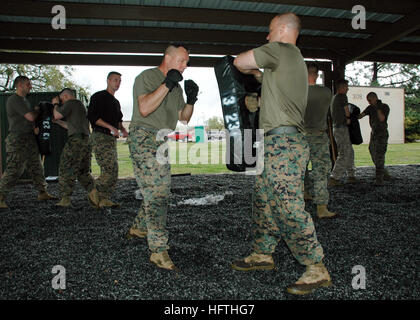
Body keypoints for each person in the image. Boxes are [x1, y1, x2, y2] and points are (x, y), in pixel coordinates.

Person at [230, 13, 332, 295]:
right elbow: (264, 77)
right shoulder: (291, 61)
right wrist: (258, 76)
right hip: (276, 143)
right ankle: (263, 254)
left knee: (288, 206)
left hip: (283, 145)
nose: (266, 36)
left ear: (284, 30)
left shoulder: (282, 50)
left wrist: (246, 67)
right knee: (264, 201)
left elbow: (240, 61)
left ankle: (316, 267)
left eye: (269, 30)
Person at [126, 44, 199, 271]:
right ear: (168, 58)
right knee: (158, 191)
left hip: (162, 140)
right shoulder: (148, 76)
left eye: (187, 62)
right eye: (181, 61)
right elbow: (145, 108)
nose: (185, 66)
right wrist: (167, 84)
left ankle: (139, 228)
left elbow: (184, 119)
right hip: (143, 136)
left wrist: (191, 100)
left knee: (158, 189)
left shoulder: (176, 88)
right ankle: (158, 251)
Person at [0, 76, 56, 209]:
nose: (30, 86)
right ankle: (1, 196)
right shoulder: (14, 99)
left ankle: (42, 192)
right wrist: (38, 110)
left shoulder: (24, 100)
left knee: (36, 165)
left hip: (28, 137)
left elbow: (27, 120)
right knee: (14, 169)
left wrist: (34, 129)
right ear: (19, 85)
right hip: (17, 139)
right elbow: (30, 116)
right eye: (28, 84)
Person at [52, 88, 100, 208]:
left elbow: (57, 114)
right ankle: (93, 191)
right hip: (85, 140)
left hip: (76, 141)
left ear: (66, 96)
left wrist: (55, 104)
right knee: (82, 171)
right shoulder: (80, 106)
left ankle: (65, 199)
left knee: (65, 167)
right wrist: (57, 123)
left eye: (62, 99)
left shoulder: (71, 103)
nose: (62, 102)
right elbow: (70, 125)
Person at [87, 71, 128, 208]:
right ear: (108, 80)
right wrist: (111, 127)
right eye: (115, 80)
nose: (118, 83)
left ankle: (104, 199)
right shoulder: (98, 97)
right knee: (109, 169)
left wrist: (122, 129)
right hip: (100, 136)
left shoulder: (116, 102)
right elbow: (93, 117)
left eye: (120, 81)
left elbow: (119, 121)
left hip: (111, 139)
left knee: (113, 170)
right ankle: (95, 191)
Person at [303, 62, 336, 219]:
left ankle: (303, 194)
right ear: (316, 75)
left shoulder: (296, 93)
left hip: (299, 136)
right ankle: (321, 207)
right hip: (318, 135)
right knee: (320, 170)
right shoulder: (326, 92)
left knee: (300, 169)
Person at [329, 79, 358, 186]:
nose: (348, 89)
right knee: (345, 152)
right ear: (341, 87)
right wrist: (348, 118)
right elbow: (347, 110)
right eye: (346, 86)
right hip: (341, 128)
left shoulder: (334, 98)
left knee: (349, 151)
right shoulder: (342, 96)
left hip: (337, 128)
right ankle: (334, 177)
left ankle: (351, 174)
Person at [358, 92, 391, 185]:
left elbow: (382, 119)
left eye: (370, 100)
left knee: (380, 155)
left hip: (382, 133)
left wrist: (378, 107)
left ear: (375, 98)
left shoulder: (384, 107)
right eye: (368, 101)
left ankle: (379, 179)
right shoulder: (370, 108)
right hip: (374, 134)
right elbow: (361, 116)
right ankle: (383, 172)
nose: (369, 102)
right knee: (372, 151)